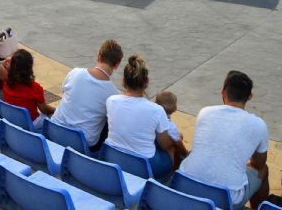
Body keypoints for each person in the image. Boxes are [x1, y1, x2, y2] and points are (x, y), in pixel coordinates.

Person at [180, 71, 269, 210]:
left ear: (223, 92)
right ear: (250, 96)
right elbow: (258, 164)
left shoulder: (205, 112)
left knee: (195, 152)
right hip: (226, 199)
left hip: (184, 184)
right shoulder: (259, 124)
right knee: (264, 170)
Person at [105, 54, 175, 180]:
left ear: (124, 81)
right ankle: (164, 183)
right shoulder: (157, 111)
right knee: (172, 151)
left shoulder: (111, 101)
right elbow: (165, 145)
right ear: (146, 82)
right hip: (144, 166)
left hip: (113, 157)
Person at [51, 39, 122, 151]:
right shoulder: (113, 94)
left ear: (98, 55)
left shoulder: (75, 72)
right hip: (81, 143)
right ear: (117, 65)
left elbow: (64, 93)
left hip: (54, 130)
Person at [3, 49, 56, 129]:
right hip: (30, 123)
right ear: (29, 67)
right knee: (53, 117)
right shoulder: (35, 88)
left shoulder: (6, 81)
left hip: (12, 119)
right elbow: (44, 109)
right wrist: (56, 110)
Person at [155, 91, 189, 167]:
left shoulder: (152, 117)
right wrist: (186, 154)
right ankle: (175, 169)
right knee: (179, 137)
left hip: (154, 146)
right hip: (159, 152)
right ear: (175, 108)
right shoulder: (170, 126)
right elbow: (179, 144)